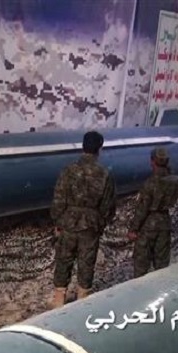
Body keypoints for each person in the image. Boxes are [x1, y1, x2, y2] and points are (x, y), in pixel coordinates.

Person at [49, 131, 116, 309]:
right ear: (99, 149)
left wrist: (58, 222)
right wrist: (100, 223)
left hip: (68, 223)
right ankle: (82, 299)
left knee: (64, 260)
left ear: (82, 147)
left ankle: (59, 299)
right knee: (87, 262)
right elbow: (108, 205)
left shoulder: (69, 171)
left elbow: (58, 199)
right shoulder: (104, 174)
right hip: (90, 225)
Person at [127, 147, 178, 278]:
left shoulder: (150, 183)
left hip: (148, 225)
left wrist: (133, 229)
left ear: (152, 161)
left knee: (141, 265)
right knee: (162, 264)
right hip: (165, 223)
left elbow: (142, 208)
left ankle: (140, 288)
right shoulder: (176, 180)